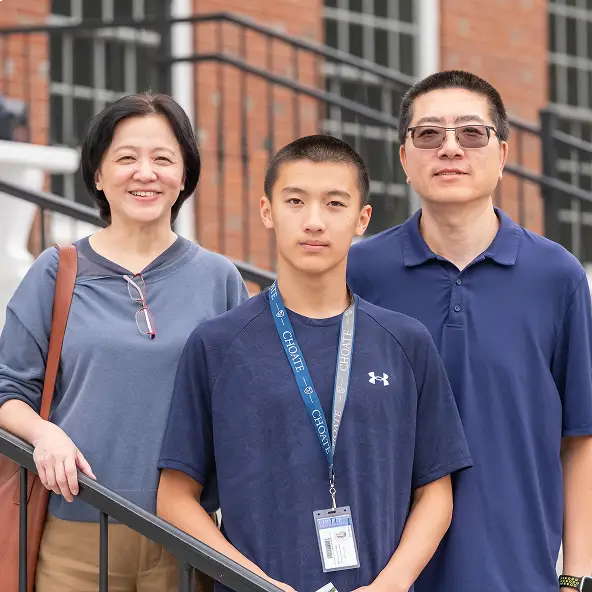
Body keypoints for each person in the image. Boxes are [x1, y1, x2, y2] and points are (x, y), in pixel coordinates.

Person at [156, 135, 472, 592]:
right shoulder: (217, 344)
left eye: (335, 203)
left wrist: (393, 583)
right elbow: (174, 496)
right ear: (267, 210)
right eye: (295, 201)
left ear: (362, 218)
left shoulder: (405, 342)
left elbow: (436, 491)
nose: (314, 221)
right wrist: (252, 582)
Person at [347, 70, 592, 592]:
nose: (450, 148)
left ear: (503, 154)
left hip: (517, 572)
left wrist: (576, 576)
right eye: (429, 134)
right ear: (404, 158)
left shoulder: (557, 276)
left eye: (472, 133)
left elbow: (579, 439)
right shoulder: (357, 273)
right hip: (384, 576)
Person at [0, 92, 248, 591]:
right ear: (98, 173)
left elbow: (244, 406)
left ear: (184, 176)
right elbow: (7, 389)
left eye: (163, 159)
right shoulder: (56, 271)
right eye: (127, 157)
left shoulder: (219, 279)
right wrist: (45, 435)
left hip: (185, 535)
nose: (145, 173)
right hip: (75, 533)